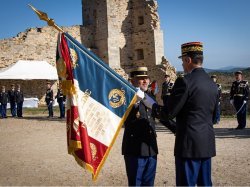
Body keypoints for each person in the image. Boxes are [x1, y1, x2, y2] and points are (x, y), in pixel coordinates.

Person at [167, 42, 218, 186]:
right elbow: (214, 116)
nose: (182, 65)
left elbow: (169, 113)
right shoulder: (212, 84)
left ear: (188, 60)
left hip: (188, 145)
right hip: (206, 142)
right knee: (205, 183)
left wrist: (150, 104)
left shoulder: (184, 81)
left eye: (182, 61)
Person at [122, 67, 159, 186]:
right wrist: (135, 101)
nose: (145, 81)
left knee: (149, 183)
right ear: (132, 81)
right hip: (135, 149)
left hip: (151, 148)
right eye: (141, 79)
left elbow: (159, 115)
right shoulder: (126, 98)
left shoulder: (150, 97)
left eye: (146, 78)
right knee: (135, 183)